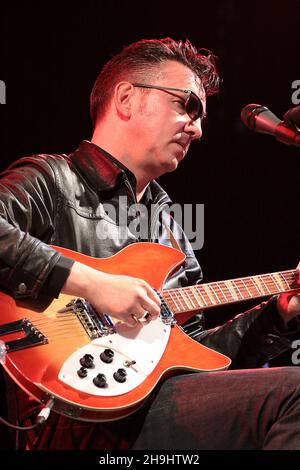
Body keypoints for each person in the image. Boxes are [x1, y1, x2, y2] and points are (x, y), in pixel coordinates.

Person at [0, 37, 300, 450]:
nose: (197, 128)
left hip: (148, 413)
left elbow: (194, 357)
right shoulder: (52, 180)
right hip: (64, 416)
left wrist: (280, 314)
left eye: (201, 118)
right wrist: (92, 284)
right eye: (187, 105)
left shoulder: (169, 229)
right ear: (126, 98)